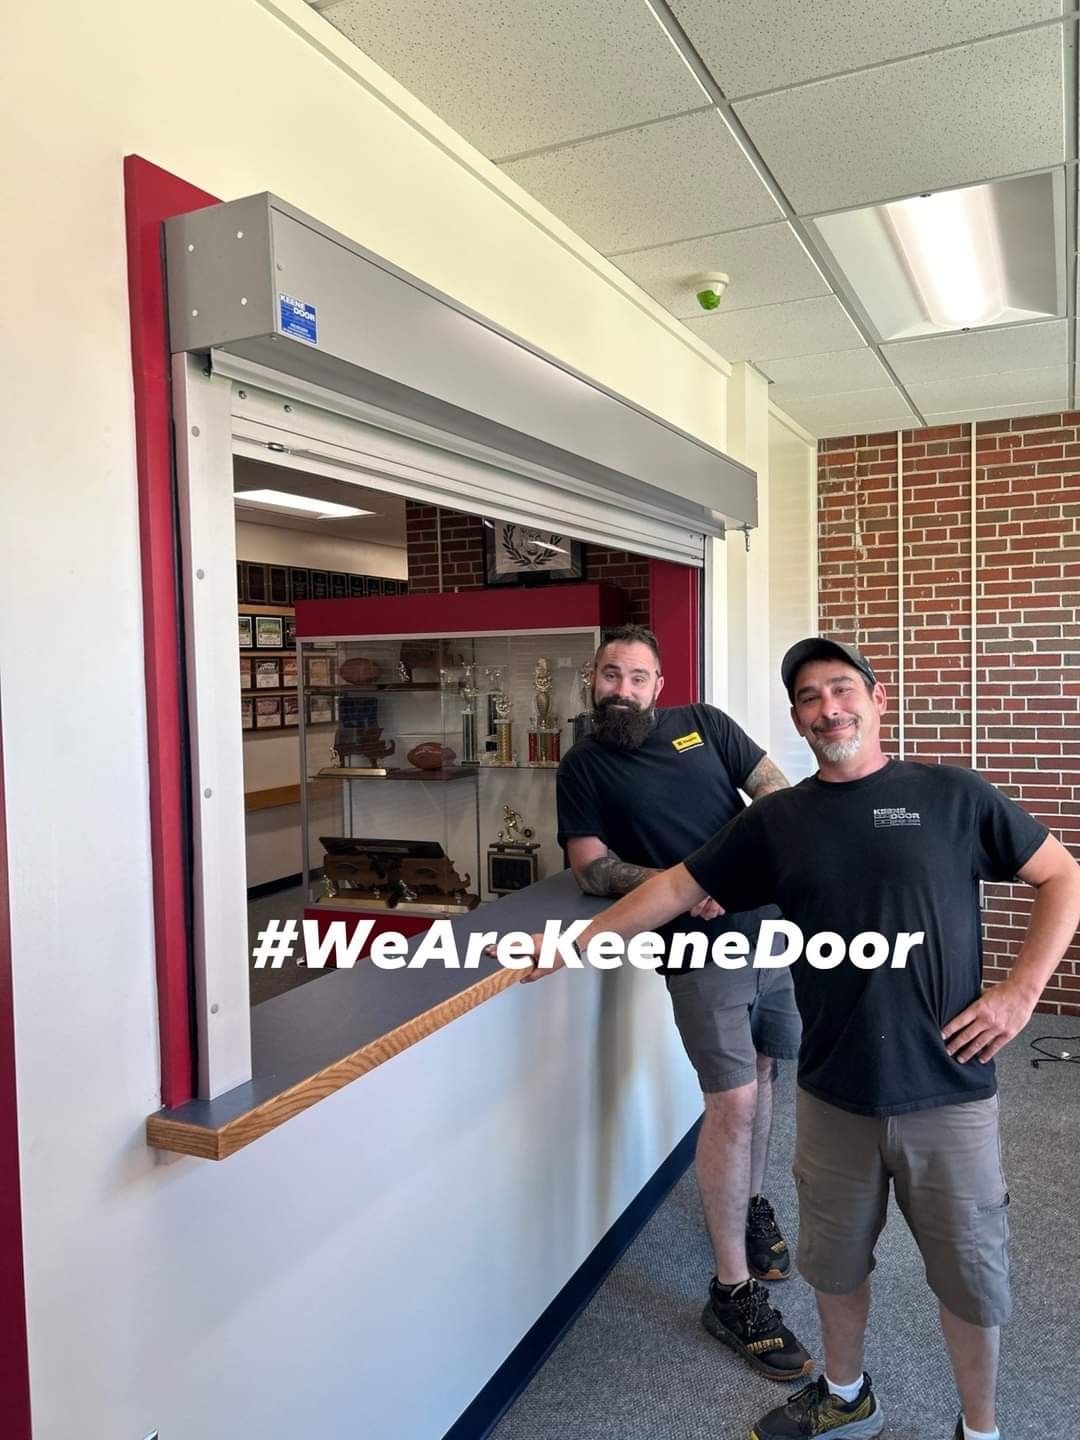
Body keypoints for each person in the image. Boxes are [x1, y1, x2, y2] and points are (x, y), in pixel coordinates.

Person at [521, 636, 1080, 1440]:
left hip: (947, 1088)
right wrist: (574, 943)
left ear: (877, 700)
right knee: (833, 1265)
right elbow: (675, 887)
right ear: (796, 719)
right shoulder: (780, 823)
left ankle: (981, 1428)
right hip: (833, 1094)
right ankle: (846, 1396)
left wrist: (1022, 994)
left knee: (968, 1278)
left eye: (843, 690)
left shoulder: (952, 795)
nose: (829, 707)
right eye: (811, 698)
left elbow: (1061, 875)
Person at [555, 623, 812, 1383]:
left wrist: (735, 864)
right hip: (695, 951)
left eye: (637, 677)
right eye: (610, 674)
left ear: (659, 685)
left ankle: (753, 1202)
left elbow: (775, 791)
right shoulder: (582, 765)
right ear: (592, 680)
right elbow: (591, 871)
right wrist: (686, 883)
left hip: (767, 932)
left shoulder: (705, 725)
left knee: (767, 1073)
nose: (622, 689)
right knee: (731, 1099)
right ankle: (730, 1291)